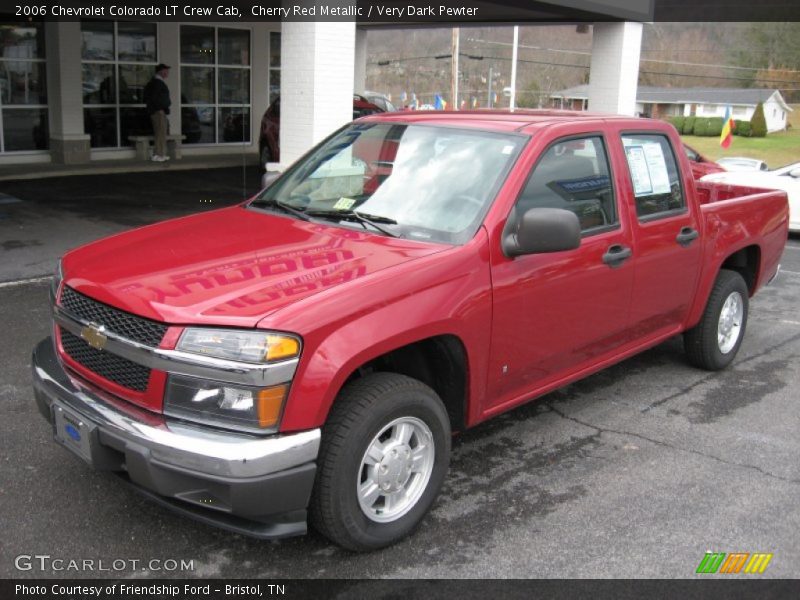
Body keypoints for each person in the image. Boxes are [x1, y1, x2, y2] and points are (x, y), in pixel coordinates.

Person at [143, 63, 172, 162]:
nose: (167, 73)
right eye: (166, 71)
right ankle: (158, 154)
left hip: (159, 111)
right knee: (160, 132)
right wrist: (159, 109)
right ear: (161, 71)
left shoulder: (156, 82)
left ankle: (161, 153)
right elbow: (154, 97)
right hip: (158, 112)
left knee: (162, 132)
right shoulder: (157, 83)